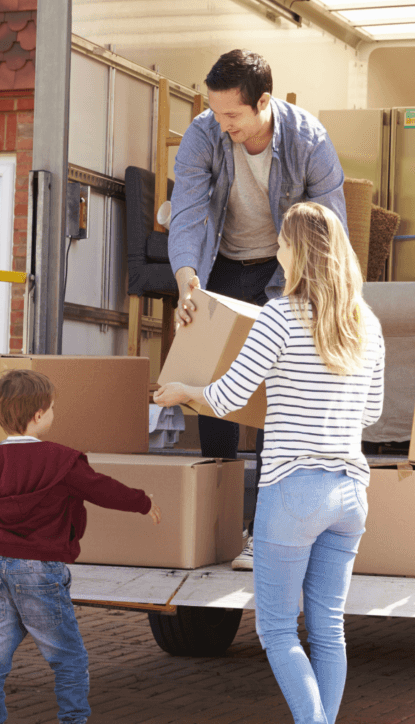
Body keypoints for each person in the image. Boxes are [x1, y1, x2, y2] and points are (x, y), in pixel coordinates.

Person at [155, 202, 384, 724]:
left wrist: (183, 392)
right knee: (327, 627)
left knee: (278, 630)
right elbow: (370, 411)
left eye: (282, 243)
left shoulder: (279, 316)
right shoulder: (366, 323)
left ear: (298, 251)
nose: (276, 252)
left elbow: (230, 395)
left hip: (293, 490)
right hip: (350, 491)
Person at [168, 48, 347, 570]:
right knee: (212, 384)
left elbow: (328, 226)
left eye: (232, 116)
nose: (221, 125)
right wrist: (186, 280)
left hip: (285, 269)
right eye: (215, 112)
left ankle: (264, 534)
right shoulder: (205, 134)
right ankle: (217, 526)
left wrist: (307, 298)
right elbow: (188, 212)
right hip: (220, 264)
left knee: (277, 395)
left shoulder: (308, 140)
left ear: (263, 102)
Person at [0, 369, 162, 724]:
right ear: (39, 414)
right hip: (39, 569)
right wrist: (142, 502)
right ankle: (73, 720)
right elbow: (101, 488)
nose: (54, 415)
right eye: (53, 408)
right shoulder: (60, 460)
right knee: (68, 658)